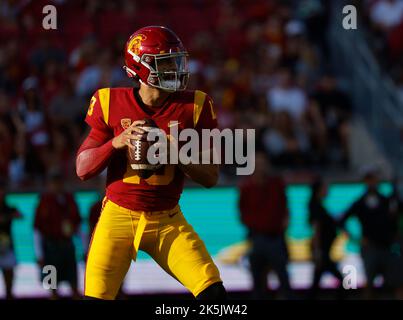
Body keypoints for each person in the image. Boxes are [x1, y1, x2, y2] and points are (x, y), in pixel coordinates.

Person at [76, 26, 225, 300]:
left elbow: (211, 176)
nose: (176, 69)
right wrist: (116, 142)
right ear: (139, 67)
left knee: (213, 294)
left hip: (168, 219)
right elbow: (82, 168)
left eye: (177, 60)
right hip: (117, 217)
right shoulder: (108, 101)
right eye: (166, 62)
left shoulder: (195, 105)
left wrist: (177, 153)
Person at [339, 166, 398, 299]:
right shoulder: (360, 202)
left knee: (397, 282)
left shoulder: (386, 200)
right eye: (369, 179)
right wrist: (355, 238)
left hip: (387, 247)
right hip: (370, 247)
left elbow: (394, 219)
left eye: (374, 179)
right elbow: (342, 220)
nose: (372, 182)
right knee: (369, 284)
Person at [238, 152, 291, 299]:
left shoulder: (276, 184)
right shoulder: (246, 187)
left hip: (276, 237)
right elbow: (242, 211)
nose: (261, 167)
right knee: (257, 278)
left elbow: (285, 207)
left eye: (263, 163)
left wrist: (283, 225)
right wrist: (254, 227)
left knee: (283, 275)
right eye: (257, 163)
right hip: (257, 237)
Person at [34, 172, 81, 299]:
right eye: (54, 183)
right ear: (49, 185)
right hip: (50, 248)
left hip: (67, 247)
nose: (56, 186)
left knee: (74, 284)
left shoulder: (70, 199)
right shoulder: (44, 201)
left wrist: (85, 248)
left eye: (59, 182)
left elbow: (78, 224)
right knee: (52, 287)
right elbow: (37, 230)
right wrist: (39, 255)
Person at [308, 178, 343, 299]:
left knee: (316, 281)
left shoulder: (319, 206)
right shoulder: (316, 207)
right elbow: (316, 229)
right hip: (322, 250)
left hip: (324, 250)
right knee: (341, 280)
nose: (327, 190)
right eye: (325, 188)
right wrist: (317, 251)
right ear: (319, 190)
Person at [0, 180, 21, 299]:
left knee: (9, 280)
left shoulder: (9, 208)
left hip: (7, 247)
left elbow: (20, 215)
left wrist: (8, 217)